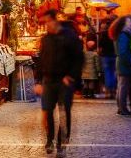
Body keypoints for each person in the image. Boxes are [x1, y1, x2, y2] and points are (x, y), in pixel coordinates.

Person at [34, 12, 84, 154]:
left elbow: (78, 59)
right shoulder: (46, 39)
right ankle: (49, 140)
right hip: (49, 80)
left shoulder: (69, 37)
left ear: (54, 22)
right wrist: (38, 80)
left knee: (63, 111)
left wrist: (71, 76)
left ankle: (61, 142)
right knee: (48, 111)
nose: (46, 26)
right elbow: (41, 59)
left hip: (64, 82)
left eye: (47, 22)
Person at [112, 15, 131, 116]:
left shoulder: (122, 34)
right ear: (124, 24)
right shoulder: (123, 35)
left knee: (121, 86)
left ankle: (121, 108)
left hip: (122, 62)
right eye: (129, 22)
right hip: (124, 63)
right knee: (123, 87)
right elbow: (123, 51)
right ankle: (123, 109)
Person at [98, 17, 118, 99]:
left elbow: (100, 47)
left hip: (105, 56)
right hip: (114, 55)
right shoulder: (115, 34)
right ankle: (113, 91)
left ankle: (108, 92)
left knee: (107, 74)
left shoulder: (103, 34)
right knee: (114, 73)